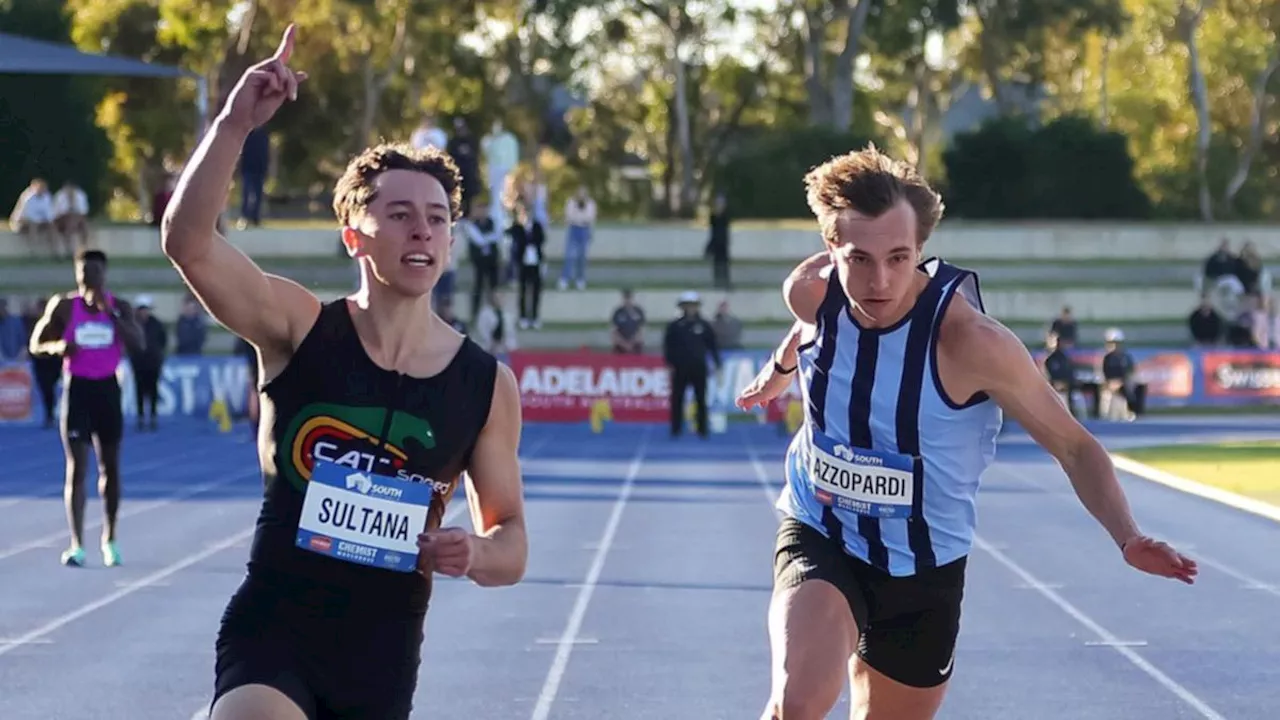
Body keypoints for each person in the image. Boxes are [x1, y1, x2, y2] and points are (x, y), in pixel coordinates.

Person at [735, 146, 1198, 720]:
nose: (879, 281)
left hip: (927, 568)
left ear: (922, 252)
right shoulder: (811, 292)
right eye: (860, 260)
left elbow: (1074, 445)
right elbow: (810, 325)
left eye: (899, 258)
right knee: (797, 704)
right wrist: (780, 371)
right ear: (832, 251)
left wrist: (1128, 537)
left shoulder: (974, 345)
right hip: (823, 529)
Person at [160, 26, 528, 720]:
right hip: (275, 630)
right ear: (354, 234)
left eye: (437, 219)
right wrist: (237, 120)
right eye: (399, 215)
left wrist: (472, 553)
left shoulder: (484, 384)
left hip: (381, 657)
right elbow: (188, 242)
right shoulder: (299, 329)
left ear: (451, 239)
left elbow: (512, 544)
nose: (422, 231)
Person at [29, 249, 143, 568]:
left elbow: (139, 344)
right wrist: (58, 347)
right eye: (83, 273)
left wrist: (114, 317)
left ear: (104, 275)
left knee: (111, 469)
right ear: (77, 275)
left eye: (94, 273)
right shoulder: (64, 306)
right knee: (76, 469)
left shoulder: (119, 306)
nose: (88, 278)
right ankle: (77, 543)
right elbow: (35, 343)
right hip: (77, 390)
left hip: (107, 389)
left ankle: (110, 538)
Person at [663, 291, 721, 438]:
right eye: (687, 305)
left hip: (699, 367)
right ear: (682, 307)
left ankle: (702, 429)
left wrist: (717, 362)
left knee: (701, 398)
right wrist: (669, 363)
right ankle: (675, 429)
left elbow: (712, 345)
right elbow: (668, 346)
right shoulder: (675, 326)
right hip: (680, 368)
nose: (690, 309)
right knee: (677, 399)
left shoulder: (704, 325)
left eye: (693, 305)